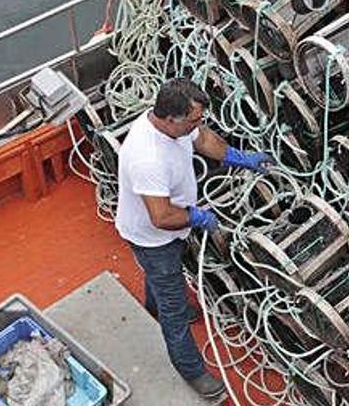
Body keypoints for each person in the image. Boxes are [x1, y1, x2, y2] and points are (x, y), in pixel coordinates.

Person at [115, 78, 271, 399]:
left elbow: (204, 140)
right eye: (193, 121)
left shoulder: (177, 126)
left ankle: (152, 302)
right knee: (173, 308)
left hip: (168, 230)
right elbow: (162, 217)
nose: (197, 126)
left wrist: (239, 157)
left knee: (161, 276)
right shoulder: (147, 157)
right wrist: (197, 218)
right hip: (152, 237)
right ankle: (193, 372)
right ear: (171, 119)